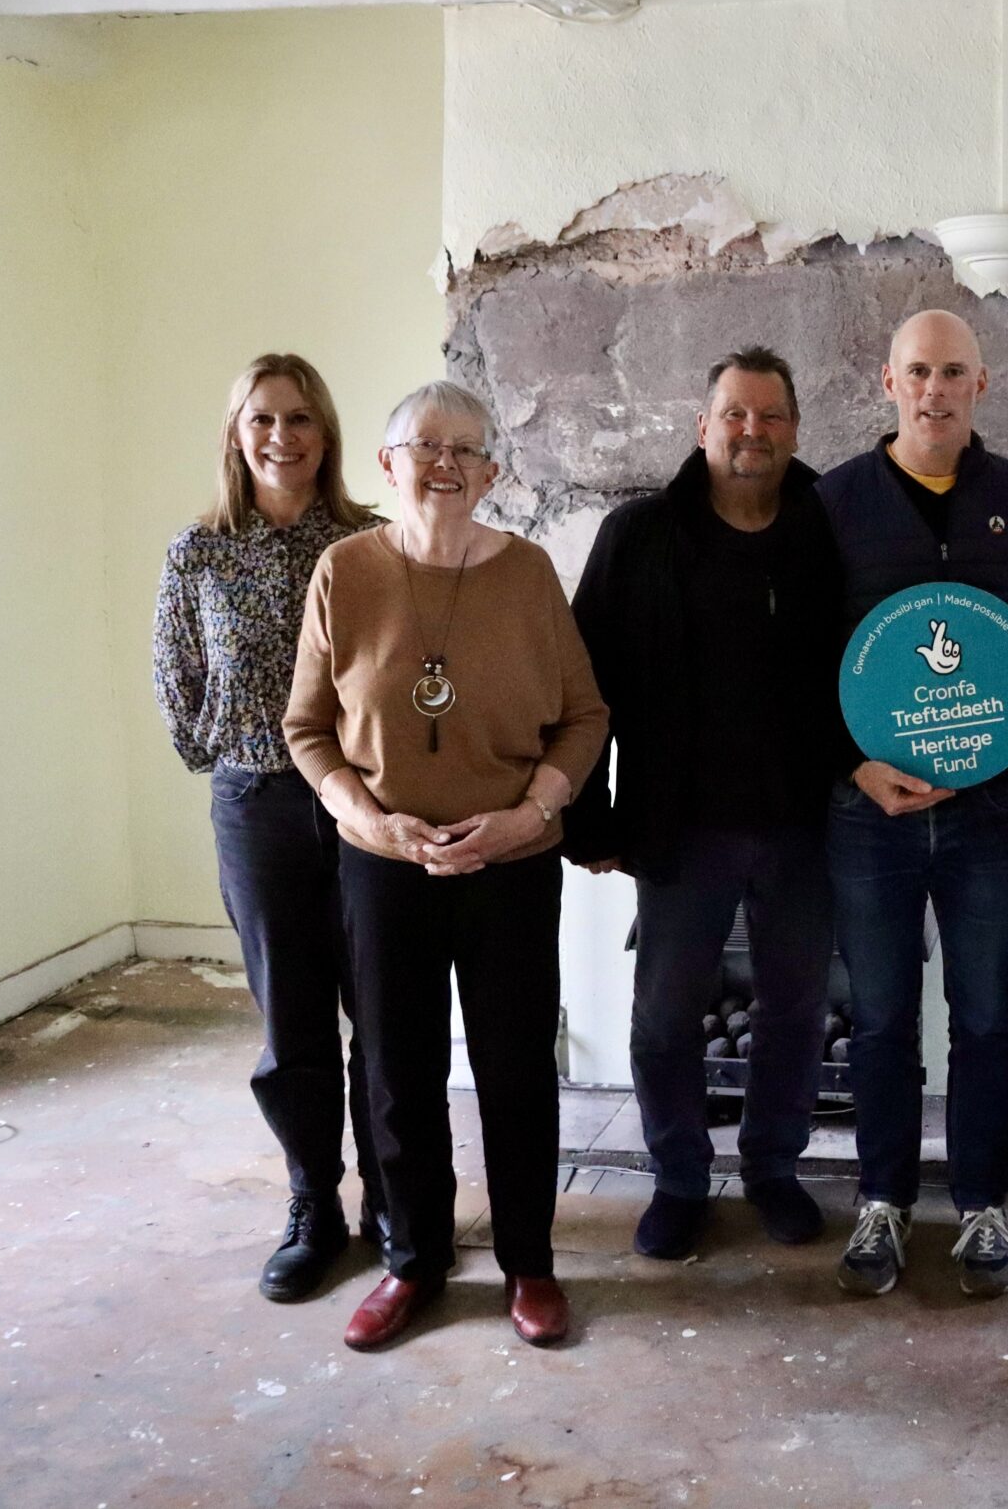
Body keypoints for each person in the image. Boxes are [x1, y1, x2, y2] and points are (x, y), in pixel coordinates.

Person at [283, 381, 610, 1352]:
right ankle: (412, 1260)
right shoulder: (344, 572)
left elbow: (585, 715)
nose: (444, 463)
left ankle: (530, 1264)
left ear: (493, 473)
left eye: (466, 449)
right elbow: (308, 730)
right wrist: (366, 820)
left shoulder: (528, 575)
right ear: (386, 466)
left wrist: (532, 813)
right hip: (385, 866)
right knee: (397, 1069)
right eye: (423, 445)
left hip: (509, 862)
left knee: (515, 1069)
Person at [566, 347, 846, 1260]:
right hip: (681, 824)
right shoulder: (637, 534)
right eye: (735, 413)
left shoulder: (828, 529)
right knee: (661, 1017)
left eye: (769, 416)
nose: (751, 432)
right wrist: (590, 813)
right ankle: (680, 1177)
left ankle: (771, 1166)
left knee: (798, 1011)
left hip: (807, 820)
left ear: (795, 430)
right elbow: (584, 683)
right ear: (703, 425)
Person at [815, 308, 1008, 1300]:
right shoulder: (832, 503)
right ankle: (880, 1203)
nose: (934, 390)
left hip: (985, 809)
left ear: (981, 386)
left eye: (953, 372)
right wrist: (849, 764)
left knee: (984, 1021)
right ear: (887, 382)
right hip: (864, 808)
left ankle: (981, 1209)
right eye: (917, 372)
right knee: (878, 1020)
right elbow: (802, 661)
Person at [154, 352, 388, 1302]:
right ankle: (312, 1205)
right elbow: (178, 692)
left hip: (373, 804)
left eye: (299, 419)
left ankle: (394, 1198)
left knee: (382, 1010)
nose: (281, 437)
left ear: (325, 433)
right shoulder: (199, 551)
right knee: (293, 1023)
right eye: (263, 420)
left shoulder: (373, 542)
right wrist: (245, 751)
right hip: (259, 804)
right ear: (236, 433)